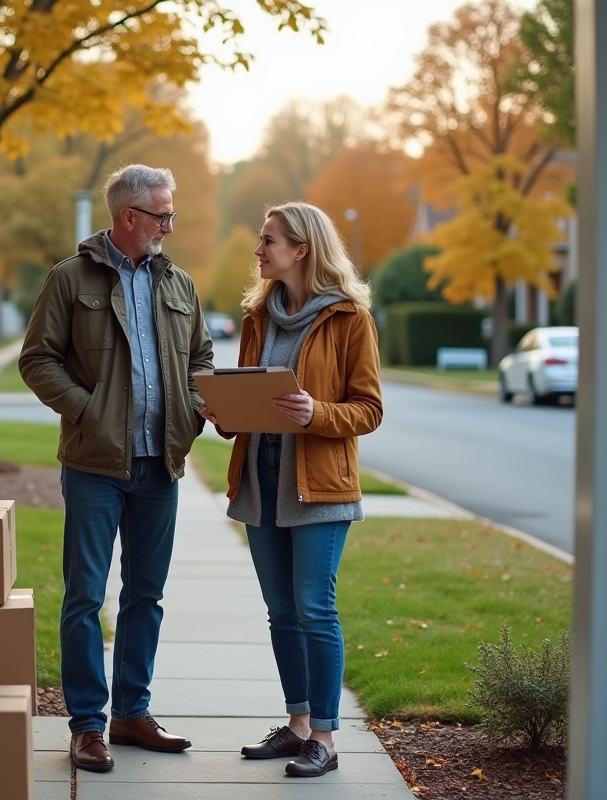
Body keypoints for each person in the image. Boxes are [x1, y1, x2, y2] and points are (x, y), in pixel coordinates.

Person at [19, 164, 216, 773]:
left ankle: (132, 712)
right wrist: (86, 411)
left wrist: (199, 405)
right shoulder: (69, 278)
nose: (170, 225)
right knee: (85, 596)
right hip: (95, 465)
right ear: (128, 216)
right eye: (162, 215)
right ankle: (86, 726)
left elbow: (201, 357)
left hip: (162, 464)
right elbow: (37, 359)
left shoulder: (178, 283)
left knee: (146, 595)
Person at [200, 201, 383, 778]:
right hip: (261, 481)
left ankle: (325, 738)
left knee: (314, 609)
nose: (258, 250)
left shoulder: (349, 319)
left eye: (268, 240)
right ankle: (298, 726)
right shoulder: (259, 317)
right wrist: (226, 412)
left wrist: (316, 413)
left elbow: (369, 409)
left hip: (320, 489)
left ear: (301, 249)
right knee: (281, 613)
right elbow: (250, 397)